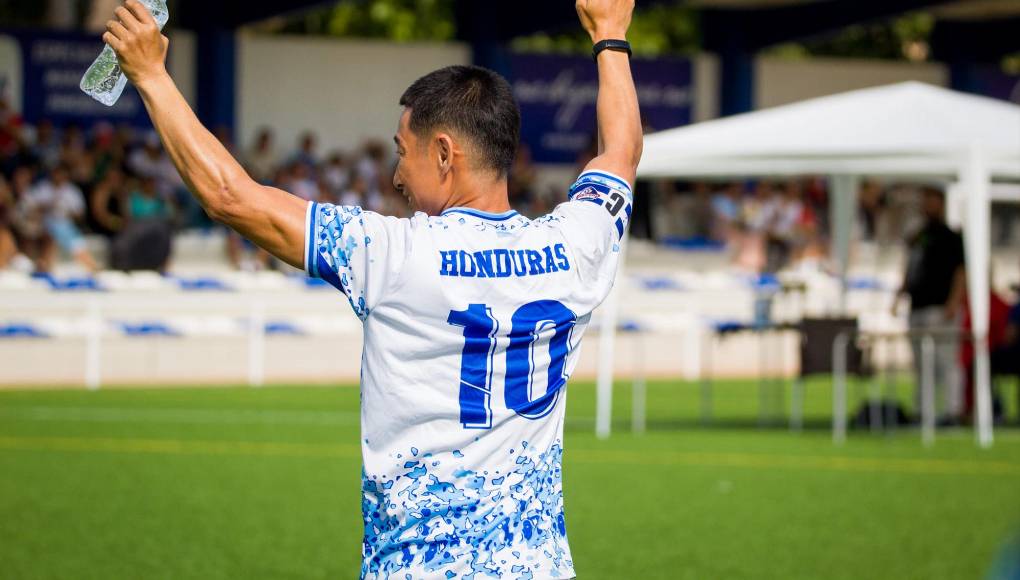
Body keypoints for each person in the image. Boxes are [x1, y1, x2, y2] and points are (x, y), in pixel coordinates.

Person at [105, 1, 640, 577]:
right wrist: (610, 35)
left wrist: (152, 77)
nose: (395, 175)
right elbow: (623, 151)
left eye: (401, 152)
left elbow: (231, 198)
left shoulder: (393, 253)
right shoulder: (576, 243)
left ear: (443, 154)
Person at [893, 187, 966, 424]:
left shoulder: (951, 237)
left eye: (931, 200)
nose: (927, 205)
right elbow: (910, 268)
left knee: (946, 361)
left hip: (940, 307)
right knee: (921, 364)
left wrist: (954, 301)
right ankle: (923, 411)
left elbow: (960, 271)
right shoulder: (919, 236)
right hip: (918, 306)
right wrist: (898, 297)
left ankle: (952, 410)